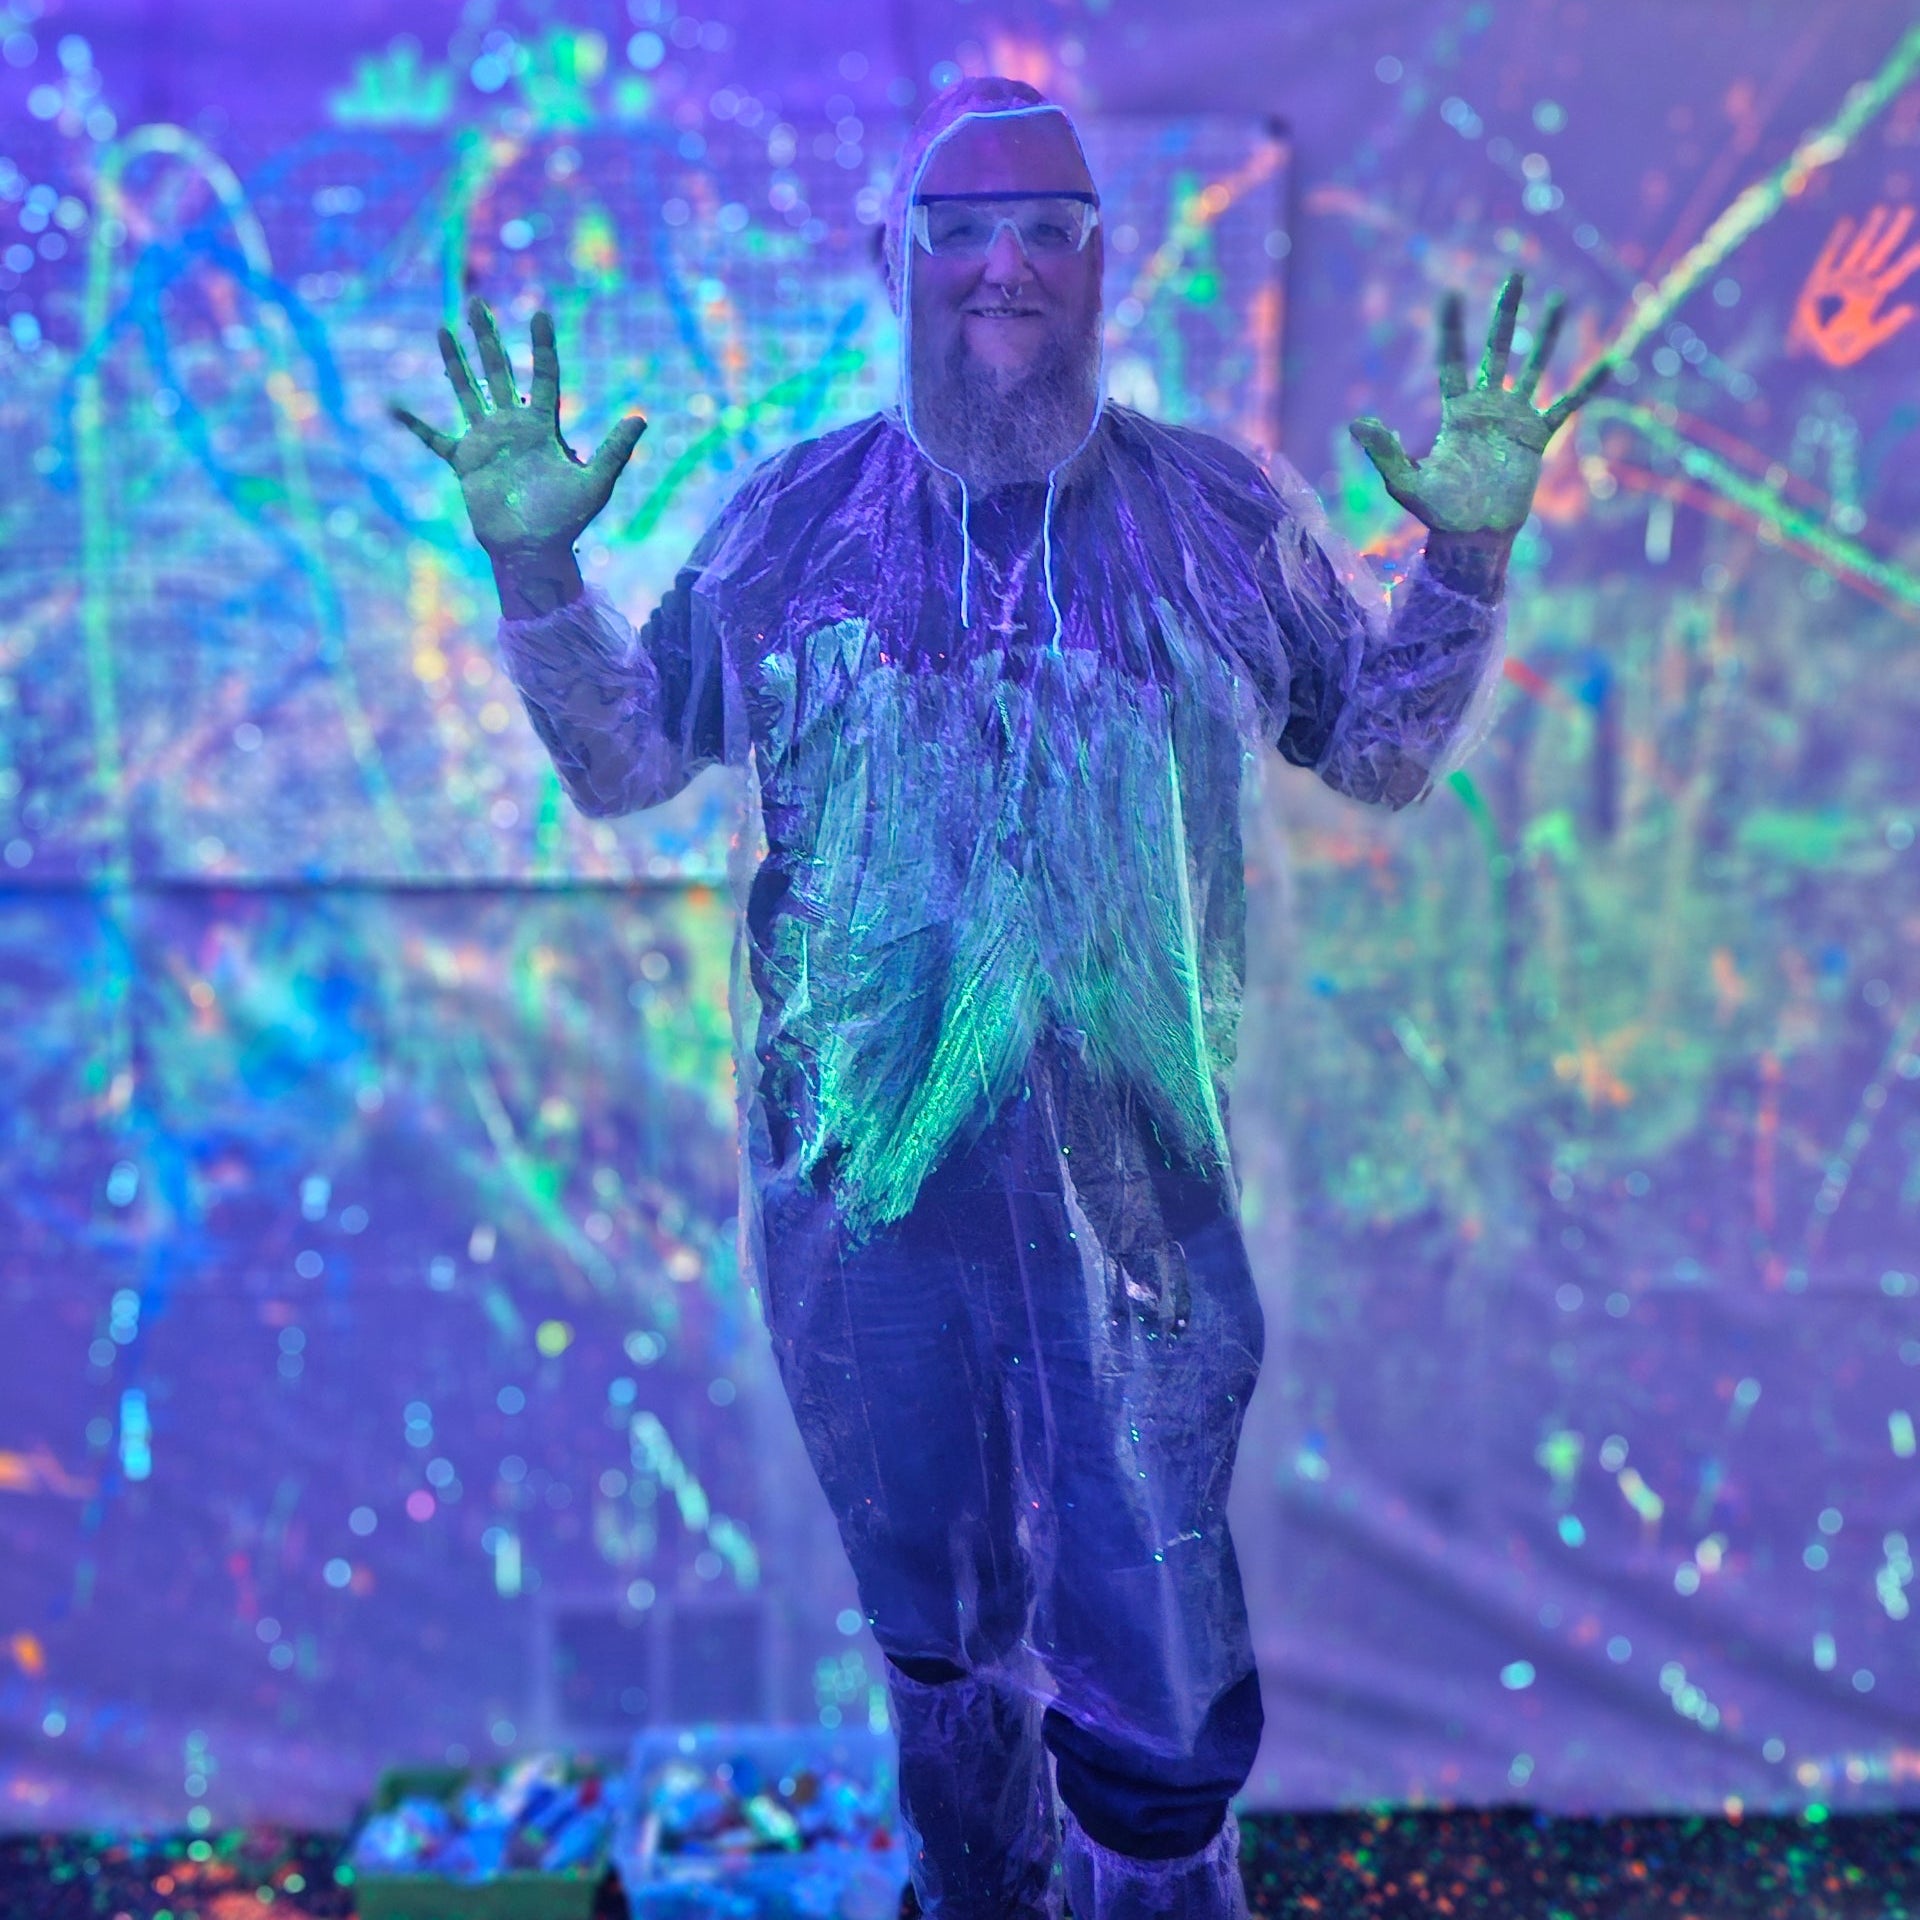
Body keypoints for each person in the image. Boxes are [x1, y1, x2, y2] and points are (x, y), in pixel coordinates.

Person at [395, 76, 1606, 1920]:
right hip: (871, 1229)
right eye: (957, 229)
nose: (1002, 266)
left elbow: (1371, 748)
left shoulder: (1210, 517)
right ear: (893, 258)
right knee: (943, 1660)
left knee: (1158, 1693)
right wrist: (537, 566)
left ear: (1105, 264)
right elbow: (633, 752)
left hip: (1143, 1228)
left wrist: (1466, 556)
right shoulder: (792, 525)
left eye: (1046, 226)